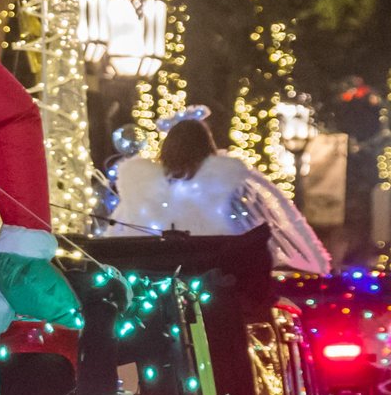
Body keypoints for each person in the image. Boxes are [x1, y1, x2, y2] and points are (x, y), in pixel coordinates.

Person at [111, 105, 334, 275]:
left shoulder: (144, 188)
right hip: (218, 275)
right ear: (207, 145)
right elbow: (259, 226)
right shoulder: (227, 183)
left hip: (159, 275)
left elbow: (122, 230)